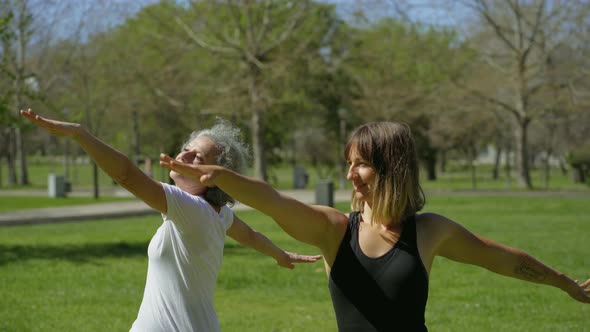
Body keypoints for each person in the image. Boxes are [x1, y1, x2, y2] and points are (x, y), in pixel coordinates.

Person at [159, 121, 590, 331]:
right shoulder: (333, 230)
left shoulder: (429, 231)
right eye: (348, 164)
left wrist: (565, 284)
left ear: (392, 167)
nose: (350, 175)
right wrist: (220, 176)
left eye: (361, 164)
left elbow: (503, 260)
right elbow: (273, 201)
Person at [20, 109, 321, 332]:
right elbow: (251, 236)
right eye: (187, 149)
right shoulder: (218, 215)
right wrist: (280, 254)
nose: (185, 156)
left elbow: (126, 174)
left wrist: (80, 135)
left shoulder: (190, 208)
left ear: (214, 178)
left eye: (198, 158)